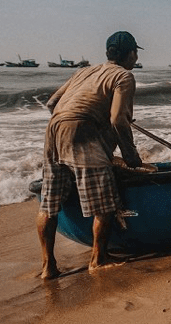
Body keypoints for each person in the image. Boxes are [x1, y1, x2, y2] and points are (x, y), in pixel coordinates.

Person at [37, 30, 149, 279]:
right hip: (81, 131)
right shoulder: (124, 76)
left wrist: (71, 121)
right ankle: (98, 259)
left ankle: (48, 266)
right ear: (130, 53)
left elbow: (52, 103)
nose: (135, 57)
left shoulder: (84, 71)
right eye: (135, 53)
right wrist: (131, 157)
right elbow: (119, 119)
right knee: (104, 202)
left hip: (54, 130)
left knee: (49, 204)